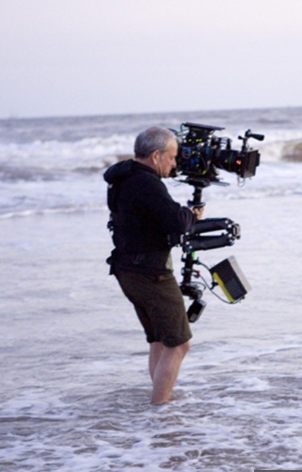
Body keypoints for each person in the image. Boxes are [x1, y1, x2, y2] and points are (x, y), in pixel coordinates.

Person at [104, 126, 204, 405]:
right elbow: (175, 222)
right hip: (150, 273)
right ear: (156, 155)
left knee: (159, 340)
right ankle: (161, 409)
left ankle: (160, 402)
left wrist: (181, 215)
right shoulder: (146, 183)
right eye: (172, 158)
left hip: (128, 269)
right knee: (180, 343)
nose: (175, 165)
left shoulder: (123, 176)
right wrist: (190, 215)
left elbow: (150, 218)